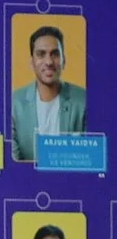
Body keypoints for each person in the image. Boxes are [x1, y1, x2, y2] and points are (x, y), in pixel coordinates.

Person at [9, 26, 88, 162]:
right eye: (41, 54)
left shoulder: (84, 101)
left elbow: (89, 157)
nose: (49, 62)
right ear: (31, 62)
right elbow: (14, 162)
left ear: (64, 61)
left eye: (55, 54)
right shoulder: (14, 104)